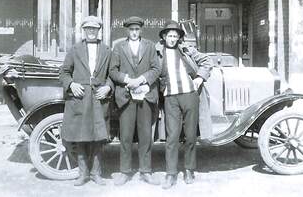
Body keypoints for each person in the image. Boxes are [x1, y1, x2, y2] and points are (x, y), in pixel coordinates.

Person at [156, 20, 213, 189]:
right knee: (172, 137)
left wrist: (200, 78)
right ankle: (171, 173)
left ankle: (189, 169)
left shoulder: (187, 50)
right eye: (169, 36)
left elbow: (207, 61)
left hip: (190, 96)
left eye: (175, 36)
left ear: (179, 37)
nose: (172, 39)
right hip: (170, 98)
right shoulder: (157, 52)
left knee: (190, 136)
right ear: (164, 37)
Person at [59, 16, 113, 186]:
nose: (91, 31)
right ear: (84, 30)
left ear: (99, 31)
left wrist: (109, 87)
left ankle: (97, 173)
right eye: (88, 28)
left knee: (98, 137)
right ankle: (83, 174)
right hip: (80, 98)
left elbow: (113, 73)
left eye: (94, 29)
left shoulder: (106, 50)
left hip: (99, 98)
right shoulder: (74, 50)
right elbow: (64, 72)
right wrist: (71, 84)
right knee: (80, 136)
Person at [109, 16, 161, 186]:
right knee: (125, 136)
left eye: (137, 30)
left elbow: (156, 69)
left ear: (141, 30)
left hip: (145, 96)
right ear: (127, 31)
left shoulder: (150, 46)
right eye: (131, 30)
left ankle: (146, 171)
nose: (134, 32)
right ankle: (125, 171)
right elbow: (112, 71)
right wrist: (127, 80)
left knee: (146, 136)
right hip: (126, 97)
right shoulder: (118, 47)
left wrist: (141, 80)